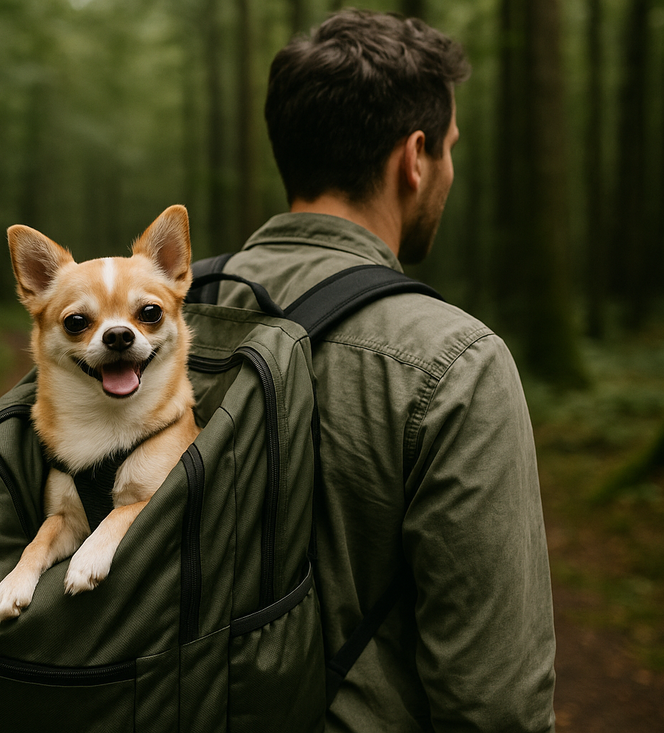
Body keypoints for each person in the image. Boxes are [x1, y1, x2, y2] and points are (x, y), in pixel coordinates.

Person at [213, 10, 557, 732]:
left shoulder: (156, 321)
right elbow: (495, 705)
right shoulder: (456, 362)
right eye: (451, 148)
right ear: (415, 157)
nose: (451, 172)